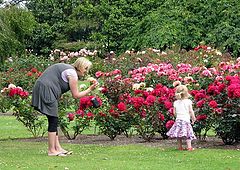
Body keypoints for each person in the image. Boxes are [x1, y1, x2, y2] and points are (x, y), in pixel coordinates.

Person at [31, 57, 98, 156]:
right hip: (46, 89)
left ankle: (57, 147)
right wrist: (90, 89)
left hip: (44, 87)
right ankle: (51, 150)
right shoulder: (72, 74)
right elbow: (76, 95)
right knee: (53, 119)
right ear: (80, 67)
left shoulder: (69, 69)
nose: (86, 71)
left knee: (54, 119)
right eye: (86, 68)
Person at [166, 84, 196, 151]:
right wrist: (193, 118)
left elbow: (174, 112)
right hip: (186, 120)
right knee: (188, 134)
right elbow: (191, 111)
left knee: (179, 134)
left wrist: (177, 116)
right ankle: (189, 147)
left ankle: (180, 147)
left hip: (178, 120)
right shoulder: (188, 101)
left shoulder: (176, 102)